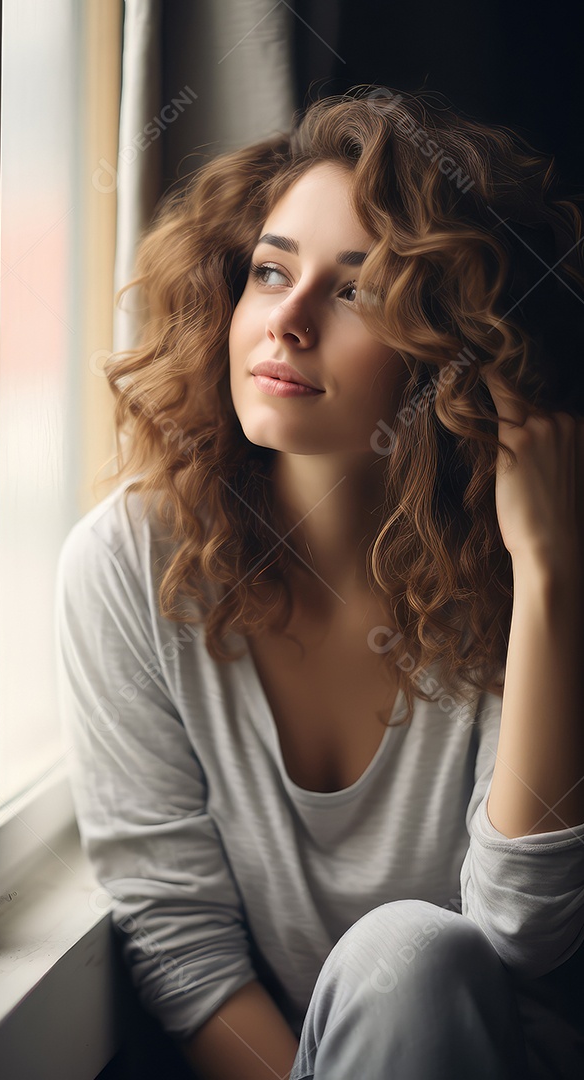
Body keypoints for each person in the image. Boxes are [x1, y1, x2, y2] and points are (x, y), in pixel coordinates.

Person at [55, 85, 584, 1080]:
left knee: (418, 955)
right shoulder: (127, 564)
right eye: (269, 271)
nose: (286, 322)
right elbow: (182, 949)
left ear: (452, 351)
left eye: (356, 291)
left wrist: (553, 579)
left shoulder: (521, 569)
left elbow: (521, 929)